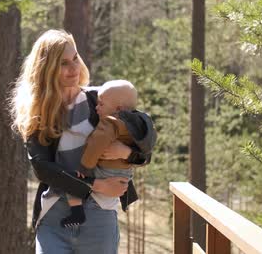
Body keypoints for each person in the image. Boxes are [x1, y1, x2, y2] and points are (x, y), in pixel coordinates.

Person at [9, 29, 156, 254]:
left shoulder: (100, 100)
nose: (74, 68)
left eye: (75, 58)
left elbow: (144, 147)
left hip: (99, 216)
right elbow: (43, 169)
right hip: (54, 218)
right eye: (64, 63)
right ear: (47, 70)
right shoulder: (40, 113)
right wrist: (95, 185)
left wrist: (125, 152)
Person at [61, 79, 152, 228]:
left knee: (72, 181)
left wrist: (84, 166)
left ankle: (76, 211)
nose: (97, 107)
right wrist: (128, 153)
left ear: (118, 108)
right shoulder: (138, 123)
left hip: (107, 170)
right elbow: (146, 149)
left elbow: (96, 144)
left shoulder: (110, 122)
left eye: (101, 104)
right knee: (107, 198)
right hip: (125, 173)